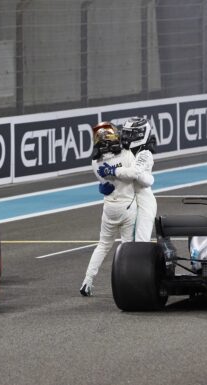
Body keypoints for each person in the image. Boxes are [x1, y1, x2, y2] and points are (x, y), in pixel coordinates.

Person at [80, 122, 138, 297]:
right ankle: (129, 285)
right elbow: (135, 174)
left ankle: (87, 281)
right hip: (127, 205)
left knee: (103, 245)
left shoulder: (95, 162)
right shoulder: (127, 155)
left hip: (109, 207)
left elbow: (106, 186)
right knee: (128, 248)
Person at [98, 117, 157, 242]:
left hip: (144, 201)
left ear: (140, 134)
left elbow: (134, 173)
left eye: (130, 133)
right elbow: (106, 166)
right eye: (125, 132)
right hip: (128, 200)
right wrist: (105, 183)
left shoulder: (145, 154)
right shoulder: (123, 152)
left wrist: (113, 171)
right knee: (128, 242)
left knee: (141, 240)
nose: (125, 136)